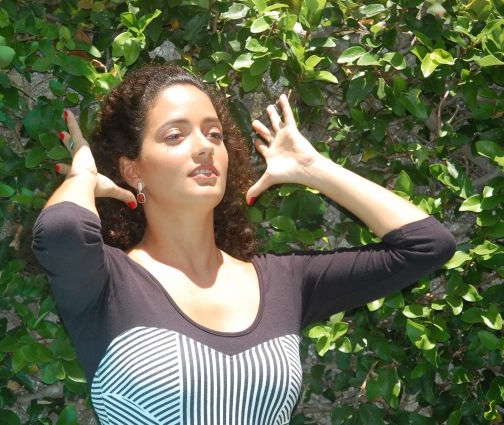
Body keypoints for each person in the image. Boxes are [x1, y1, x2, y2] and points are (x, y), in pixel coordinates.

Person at [31, 64, 456, 424]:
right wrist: (83, 177)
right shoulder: (106, 282)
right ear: (132, 169)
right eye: (175, 135)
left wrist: (314, 168)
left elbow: (426, 245)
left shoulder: (282, 281)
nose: (203, 147)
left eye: (214, 134)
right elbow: (62, 230)